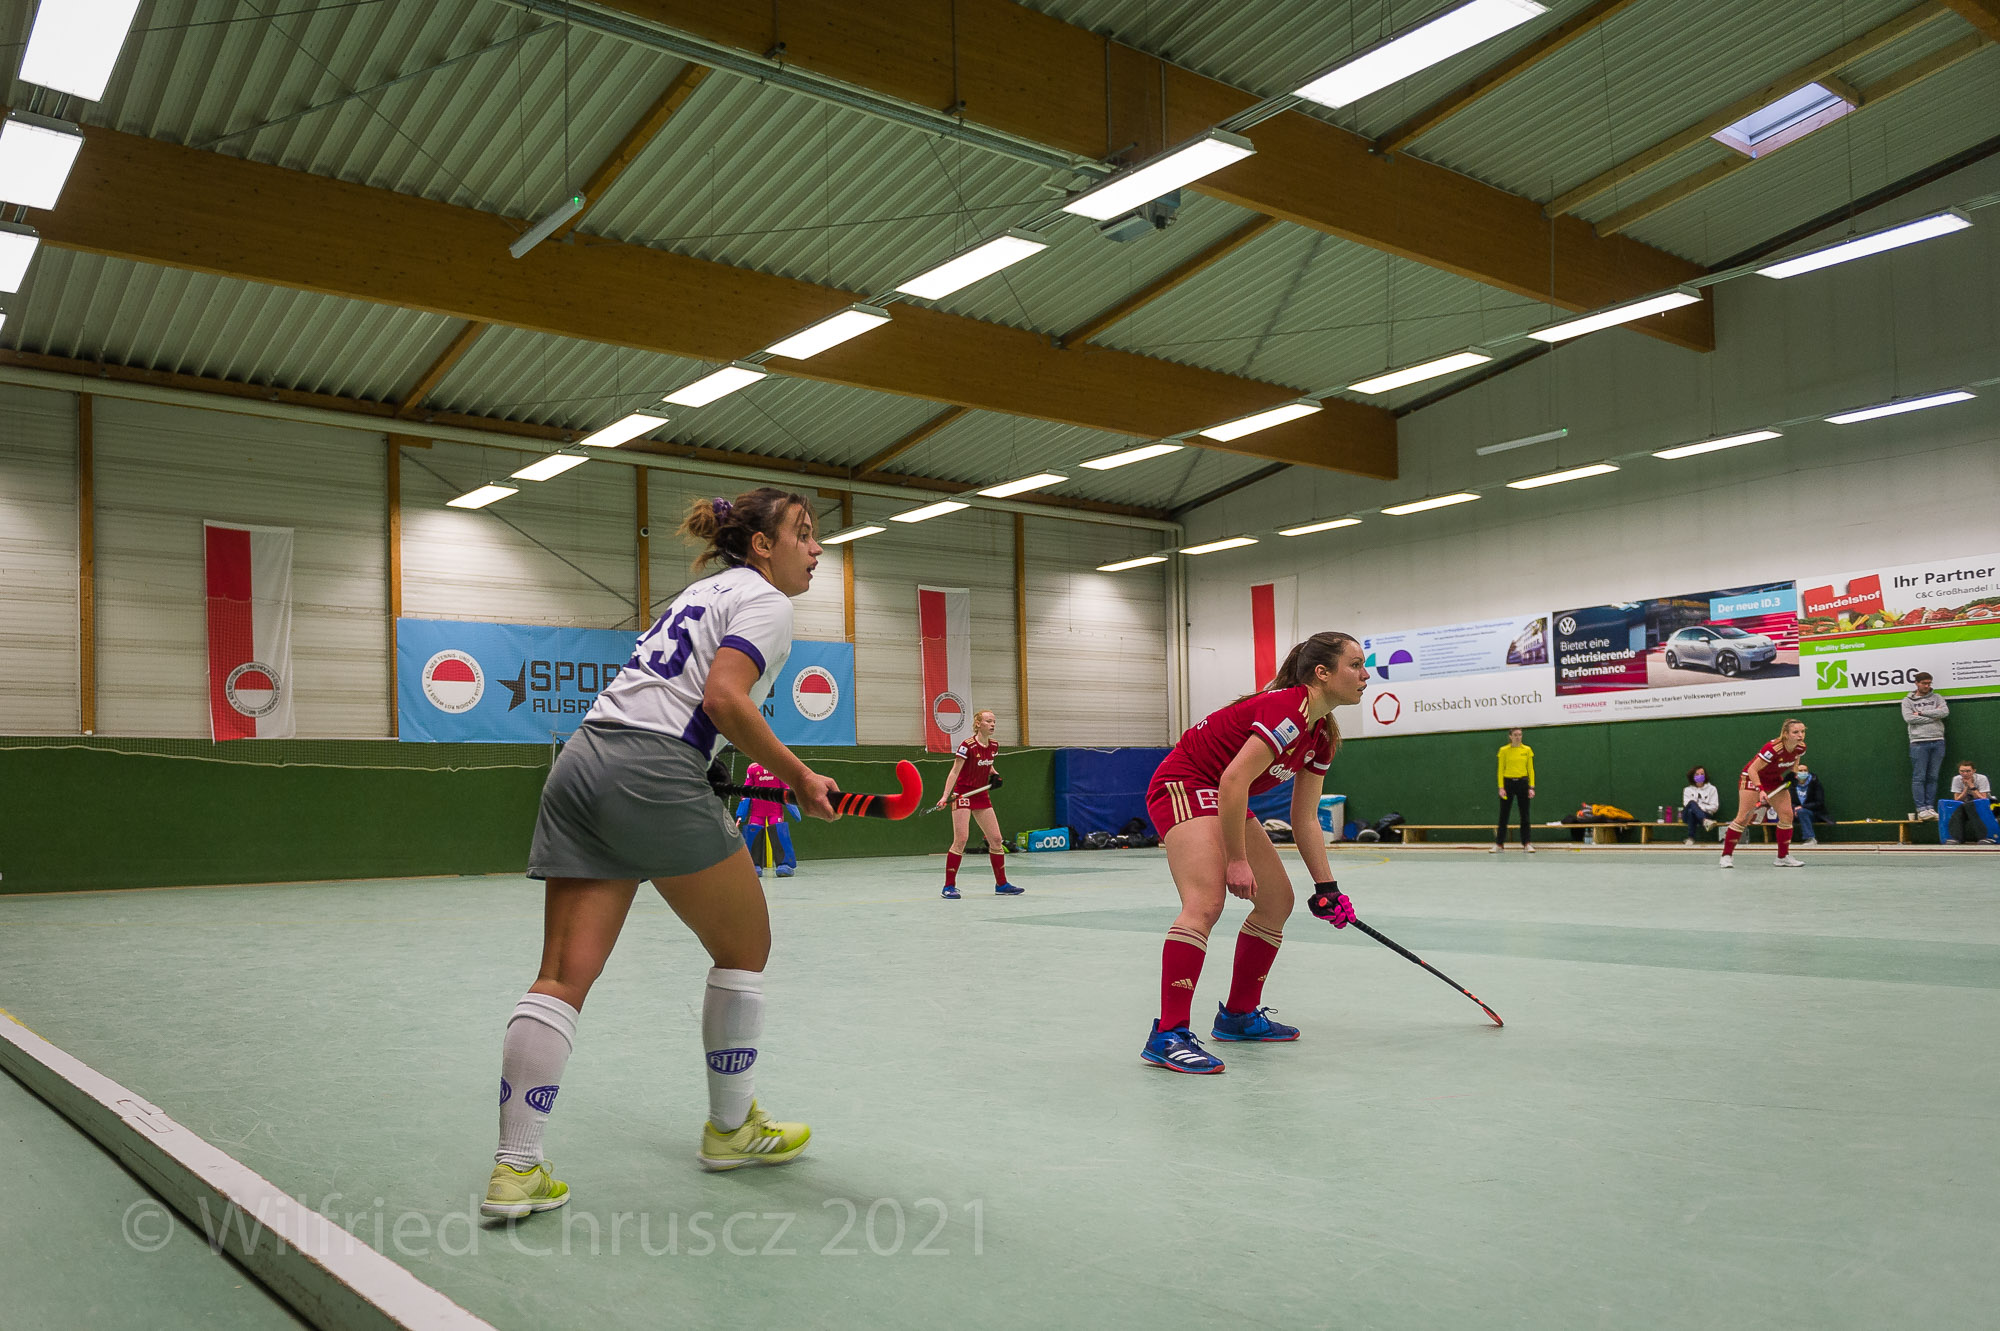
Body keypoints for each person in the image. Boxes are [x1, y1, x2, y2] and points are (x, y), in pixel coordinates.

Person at [479, 488, 838, 1221]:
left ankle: (515, 1168)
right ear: (762, 546)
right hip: (652, 770)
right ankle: (730, 1128)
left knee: (561, 974)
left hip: (584, 758)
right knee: (745, 945)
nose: (816, 549)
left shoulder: (702, 592)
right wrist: (800, 777)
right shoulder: (768, 603)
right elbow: (724, 699)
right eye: (803, 534)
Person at [1140, 632, 1366, 1074]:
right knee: (1205, 903)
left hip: (1225, 794)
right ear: (1323, 673)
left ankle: (1238, 1016)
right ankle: (1168, 1034)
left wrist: (1327, 887)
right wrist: (1237, 860)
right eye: (1355, 665)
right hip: (1186, 784)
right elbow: (1232, 780)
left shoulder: (1321, 734)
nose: (1365, 675)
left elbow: (1304, 818)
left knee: (1277, 900)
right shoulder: (1287, 710)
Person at [930, 708, 1021, 899]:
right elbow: (955, 771)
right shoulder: (967, 746)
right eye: (988, 721)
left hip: (981, 796)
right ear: (978, 724)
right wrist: (945, 796)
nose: (992, 724)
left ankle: (1002, 884)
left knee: (996, 839)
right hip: (963, 795)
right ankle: (948, 886)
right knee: (961, 840)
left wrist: (994, 775)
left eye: (994, 721)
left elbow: (988, 764)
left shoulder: (994, 746)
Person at [1720, 718, 1808, 870]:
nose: (1800, 735)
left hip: (1774, 780)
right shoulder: (1773, 748)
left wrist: (1794, 774)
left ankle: (1782, 857)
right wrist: (1760, 789)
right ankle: (1726, 856)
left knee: (1787, 815)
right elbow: (1752, 770)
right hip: (1752, 778)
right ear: (1786, 734)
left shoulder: (1801, 747)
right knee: (1743, 818)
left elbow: (1795, 759)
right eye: (1795, 732)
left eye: (1802, 731)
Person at [734, 762, 800, 877]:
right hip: (757, 810)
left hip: (775, 809)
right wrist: (741, 811)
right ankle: (753, 865)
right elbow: (746, 790)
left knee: (779, 832)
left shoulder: (778, 766)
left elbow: (785, 788)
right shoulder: (752, 768)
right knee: (753, 833)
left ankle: (785, 864)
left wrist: (792, 805)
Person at [1901, 672, 1948, 820]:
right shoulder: (1907, 701)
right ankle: (1921, 809)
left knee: (1933, 777)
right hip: (1918, 742)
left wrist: (1921, 713)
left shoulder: (1937, 697)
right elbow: (1909, 718)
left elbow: (1944, 712)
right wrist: (1933, 717)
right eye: (1924, 683)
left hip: (1938, 741)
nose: (1927, 686)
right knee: (1919, 777)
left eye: (1929, 683)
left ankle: (1930, 808)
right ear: (1917, 683)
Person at [1491, 727, 1536, 853]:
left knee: (1525, 815)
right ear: (1510, 736)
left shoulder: (1527, 750)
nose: (1518, 737)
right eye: (1515, 735)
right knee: (1504, 814)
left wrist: (1531, 787)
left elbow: (1531, 769)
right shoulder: (1503, 750)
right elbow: (1500, 770)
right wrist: (1501, 787)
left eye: (1520, 735)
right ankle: (1499, 844)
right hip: (1508, 784)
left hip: (1523, 783)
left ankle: (1527, 843)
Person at [1946, 761, 1996, 845]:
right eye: (1962, 771)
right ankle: (1956, 839)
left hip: (1989, 806)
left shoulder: (1982, 778)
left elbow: (1983, 799)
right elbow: (1957, 800)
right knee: (1959, 809)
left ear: (1974, 771)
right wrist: (1966, 788)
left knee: (1970, 806)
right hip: (1966, 806)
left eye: (1968, 771)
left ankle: (1985, 838)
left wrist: (1972, 786)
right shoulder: (1956, 779)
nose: (1965, 773)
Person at [1790, 761, 1830, 844]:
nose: (1803, 772)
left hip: (1814, 813)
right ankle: (1784, 840)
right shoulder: (1791, 785)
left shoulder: (1815, 784)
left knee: (1802, 811)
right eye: (1800, 771)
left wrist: (1802, 807)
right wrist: (1794, 809)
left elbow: (1819, 803)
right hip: (1795, 813)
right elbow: (1789, 802)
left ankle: (1810, 838)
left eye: (1805, 770)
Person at [1680, 766, 1719, 844]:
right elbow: (1686, 804)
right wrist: (1698, 807)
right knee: (1691, 804)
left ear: (1705, 776)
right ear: (1692, 776)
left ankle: (1690, 838)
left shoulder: (1712, 789)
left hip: (1706, 815)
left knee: (1691, 811)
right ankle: (1705, 821)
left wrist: (1698, 809)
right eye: (1697, 774)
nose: (1700, 776)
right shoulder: (1687, 790)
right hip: (1687, 817)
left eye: (1702, 774)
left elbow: (1714, 807)